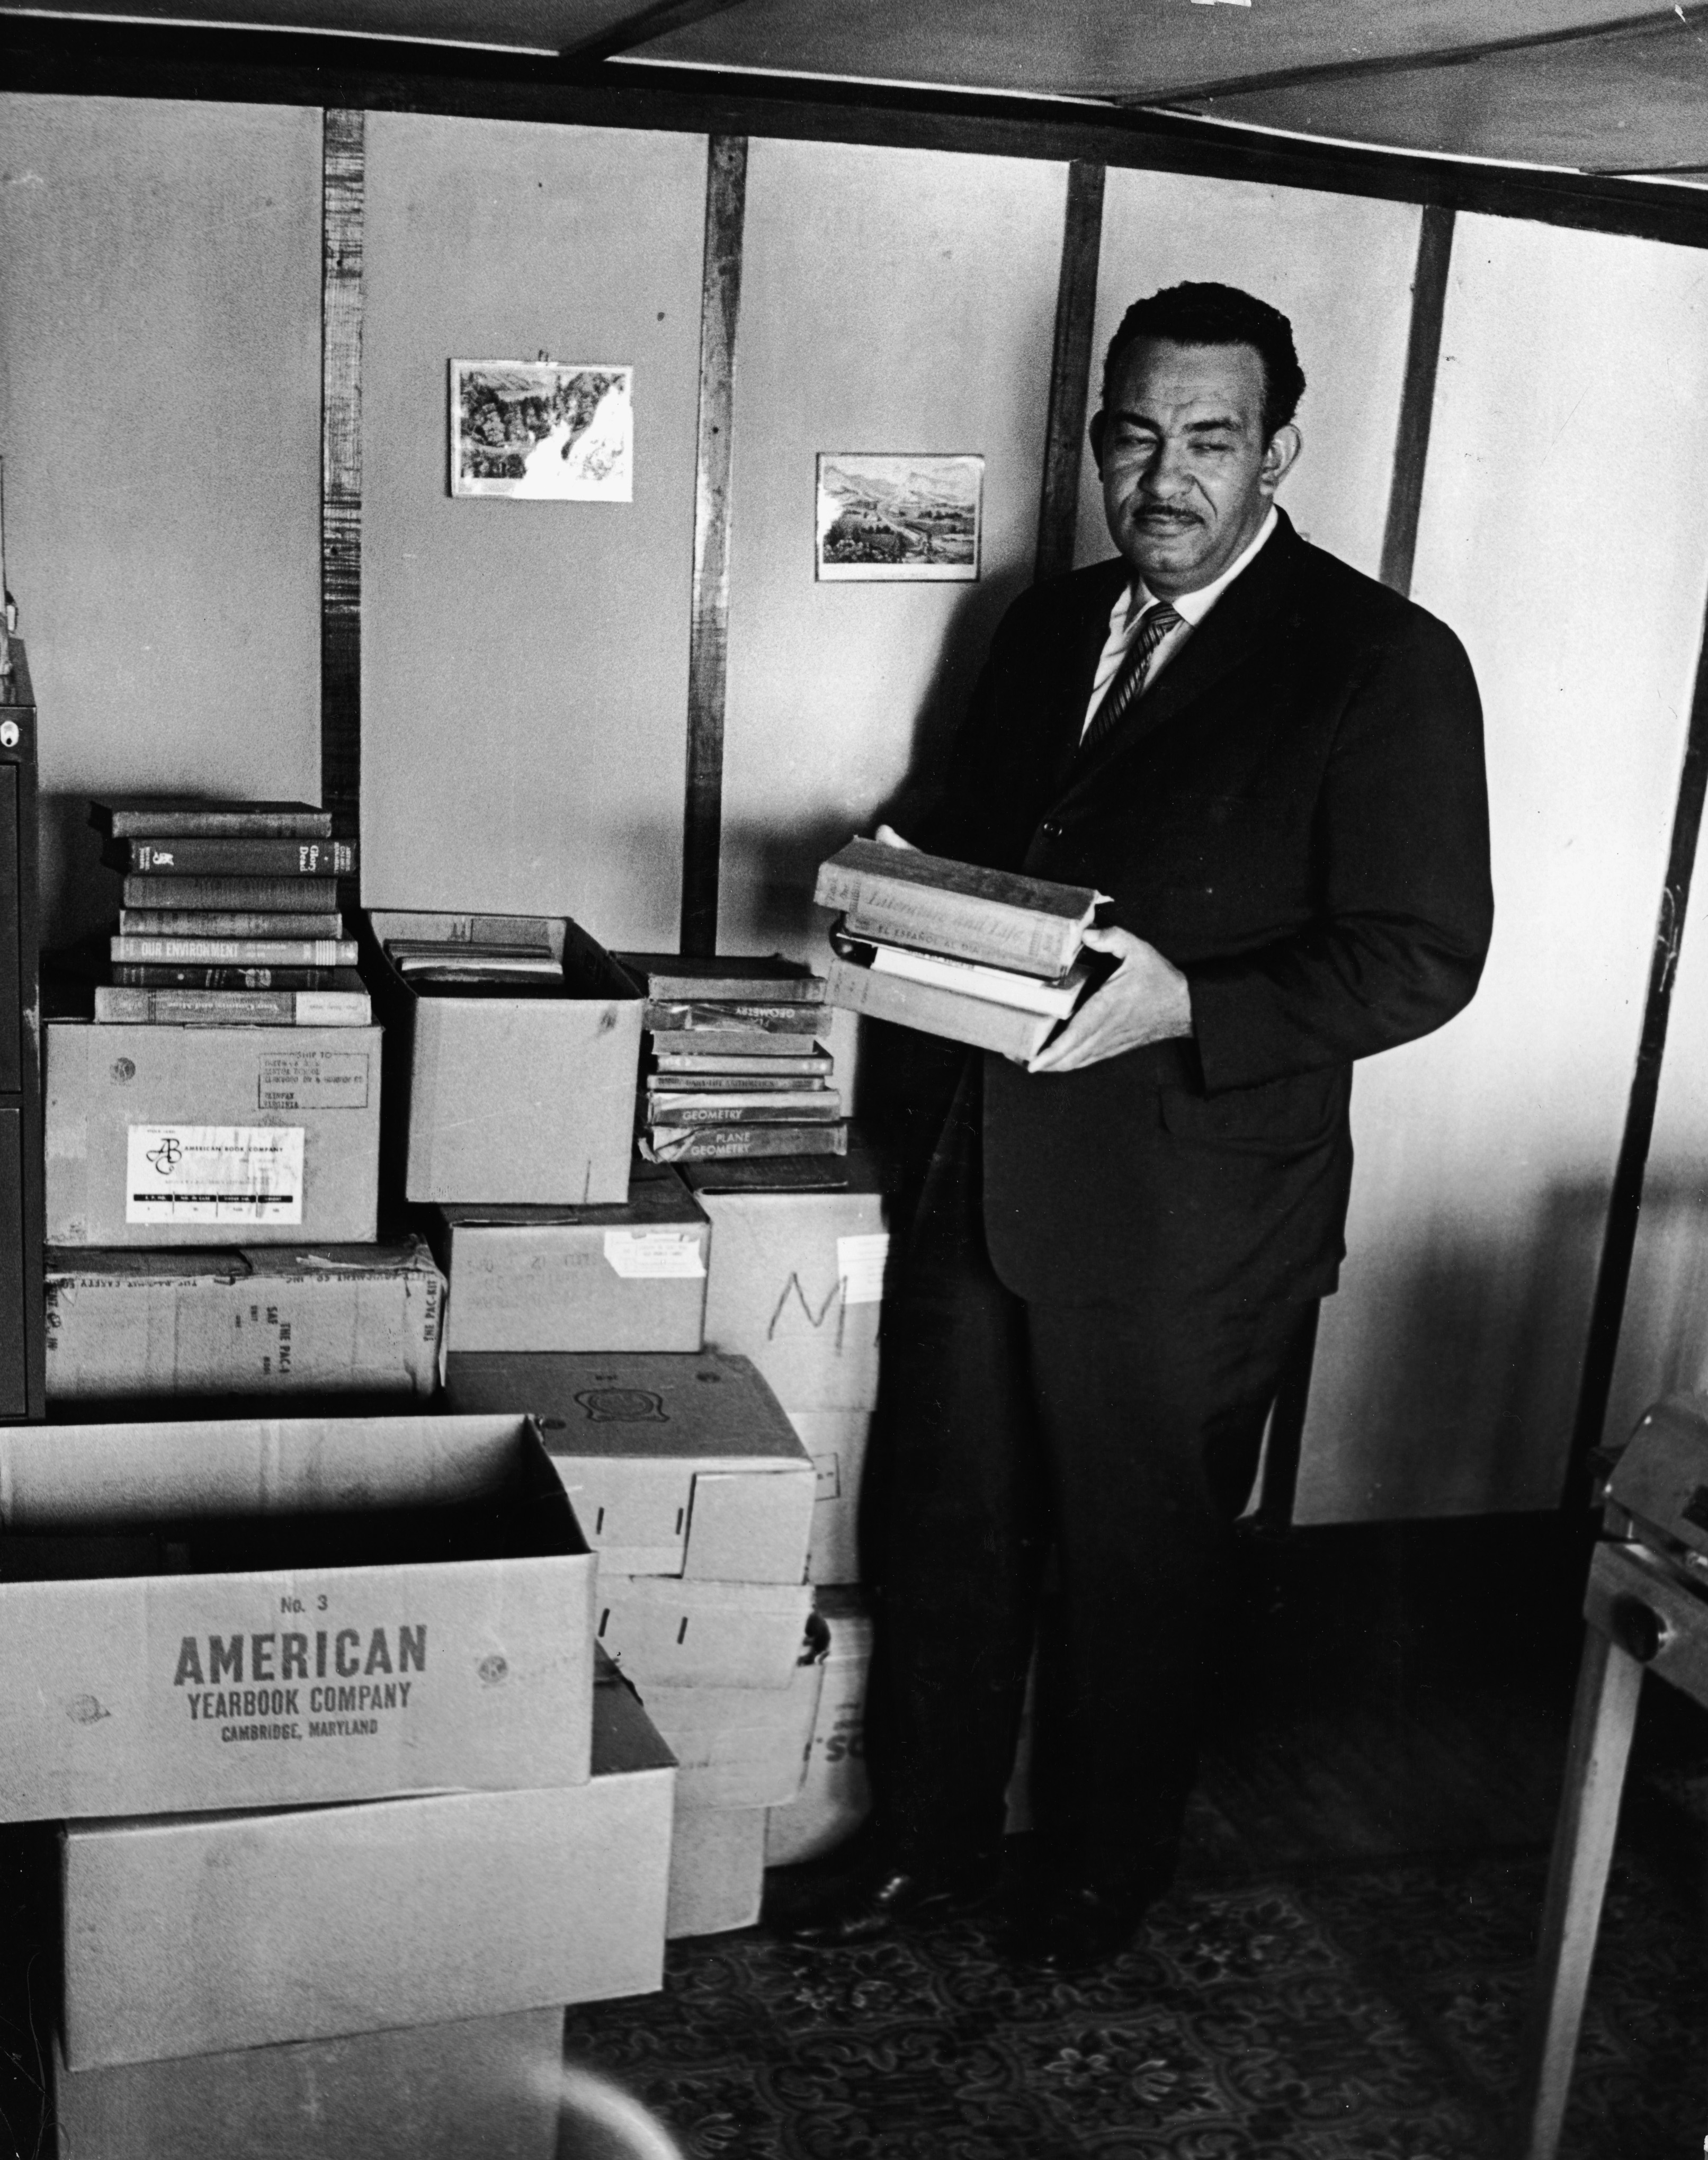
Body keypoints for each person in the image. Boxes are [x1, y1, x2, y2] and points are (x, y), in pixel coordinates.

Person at [775, 281, 1495, 1972]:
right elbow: (976, 829)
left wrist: (1194, 1004)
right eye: (1131, 434)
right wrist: (897, 867)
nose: (1160, 475)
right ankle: (925, 1850)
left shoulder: (1380, 660)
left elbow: (1422, 957)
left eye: (1206, 439)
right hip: (979, 1170)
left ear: (1275, 452)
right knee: (940, 1533)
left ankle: (1104, 1876)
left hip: (1190, 1220)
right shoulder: (1050, 624)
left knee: (1137, 1565)